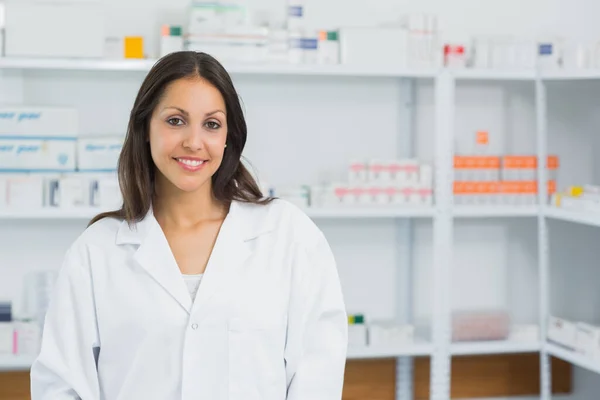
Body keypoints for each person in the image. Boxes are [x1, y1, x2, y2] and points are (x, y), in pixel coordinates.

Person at [30, 51, 348, 400]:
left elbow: (317, 376)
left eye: (211, 124)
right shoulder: (96, 251)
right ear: (145, 128)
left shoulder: (289, 236)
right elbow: (61, 386)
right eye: (176, 120)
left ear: (228, 137)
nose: (194, 142)